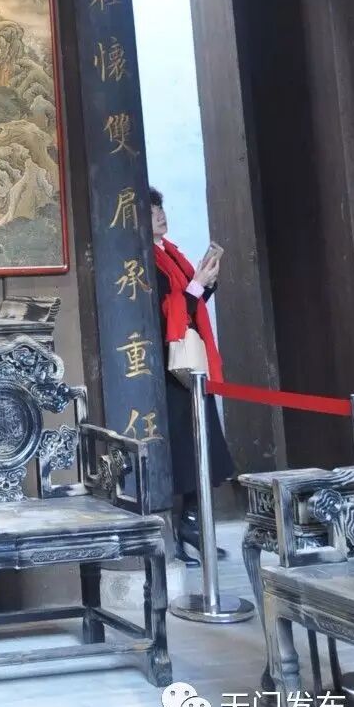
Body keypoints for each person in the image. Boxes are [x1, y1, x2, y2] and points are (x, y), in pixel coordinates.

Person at [149, 186, 235, 562]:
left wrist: (205, 283)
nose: (160, 215)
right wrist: (197, 285)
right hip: (172, 365)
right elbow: (165, 311)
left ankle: (192, 522)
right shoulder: (146, 260)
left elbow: (190, 303)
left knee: (203, 444)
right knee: (184, 450)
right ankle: (180, 529)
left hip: (192, 359)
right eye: (151, 211)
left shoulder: (171, 252)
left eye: (160, 208)